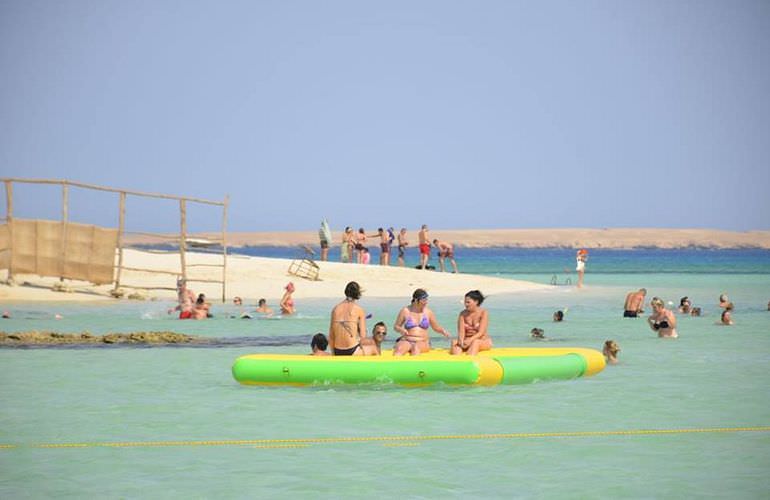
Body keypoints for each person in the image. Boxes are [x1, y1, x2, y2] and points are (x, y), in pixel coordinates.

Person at [393, 288, 451, 355]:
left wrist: (443, 331)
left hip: (422, 341)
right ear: (416, 300)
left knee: (415, 349)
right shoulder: (405, 311)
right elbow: (396, 326)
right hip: (407, 340)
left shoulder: (428, 312)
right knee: (399, 351)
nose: (426, 302)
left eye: (426, 300)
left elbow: (436, 327)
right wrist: (401, 330)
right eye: (423, 300)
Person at [328, 281, 367, 356]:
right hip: (352, 350)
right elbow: (363, 336)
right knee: (372, 347)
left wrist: (333, 354)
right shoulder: (359, 310)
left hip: (338, 350)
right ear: (358, 294)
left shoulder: (335, 309)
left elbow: (331, 336)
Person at [450, 290, 491, 355]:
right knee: (454, 342)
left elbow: (481, 332)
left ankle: (469, 360)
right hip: (466, 341)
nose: (466, 304)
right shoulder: (462, 314)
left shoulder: (483, 313)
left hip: (481, 340)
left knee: (475, 343)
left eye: (468, 302)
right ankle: (456, 362)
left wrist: (470, 340)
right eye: (465, 302)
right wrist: (461, 341)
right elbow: (461, 332)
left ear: (476, 302)